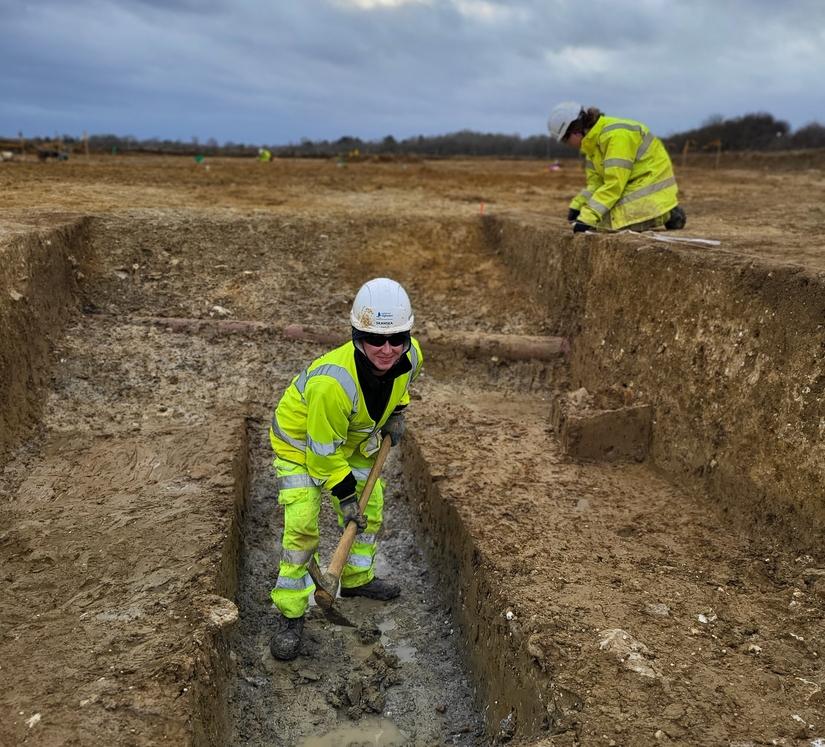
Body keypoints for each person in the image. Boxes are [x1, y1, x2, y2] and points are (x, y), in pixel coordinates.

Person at [267, 277, 424, 661]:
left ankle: (355, 578)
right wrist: (345, 497)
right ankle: (291, 613)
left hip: (348, 439)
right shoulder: (332, 384)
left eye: (396, 339)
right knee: (302, 523)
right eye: (375, 339)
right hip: (300, 445)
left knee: (372, 506)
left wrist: (398, 412)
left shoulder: (412, 356)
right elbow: (321, 455)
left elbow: (401, 386)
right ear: (357, 337)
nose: (387, 349)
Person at [547, 101, 686, 233]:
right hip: (631, 183)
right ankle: (663, 210)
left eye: (565, 139)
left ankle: (668, 213)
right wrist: (577, 206)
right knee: (597, 218)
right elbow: (596, 184)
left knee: (608, 222)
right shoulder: (592, 147)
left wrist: (587, 218)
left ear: (575, 131)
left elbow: (614, 184)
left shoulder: (616, 136)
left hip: (651, 185)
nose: (567, 144)